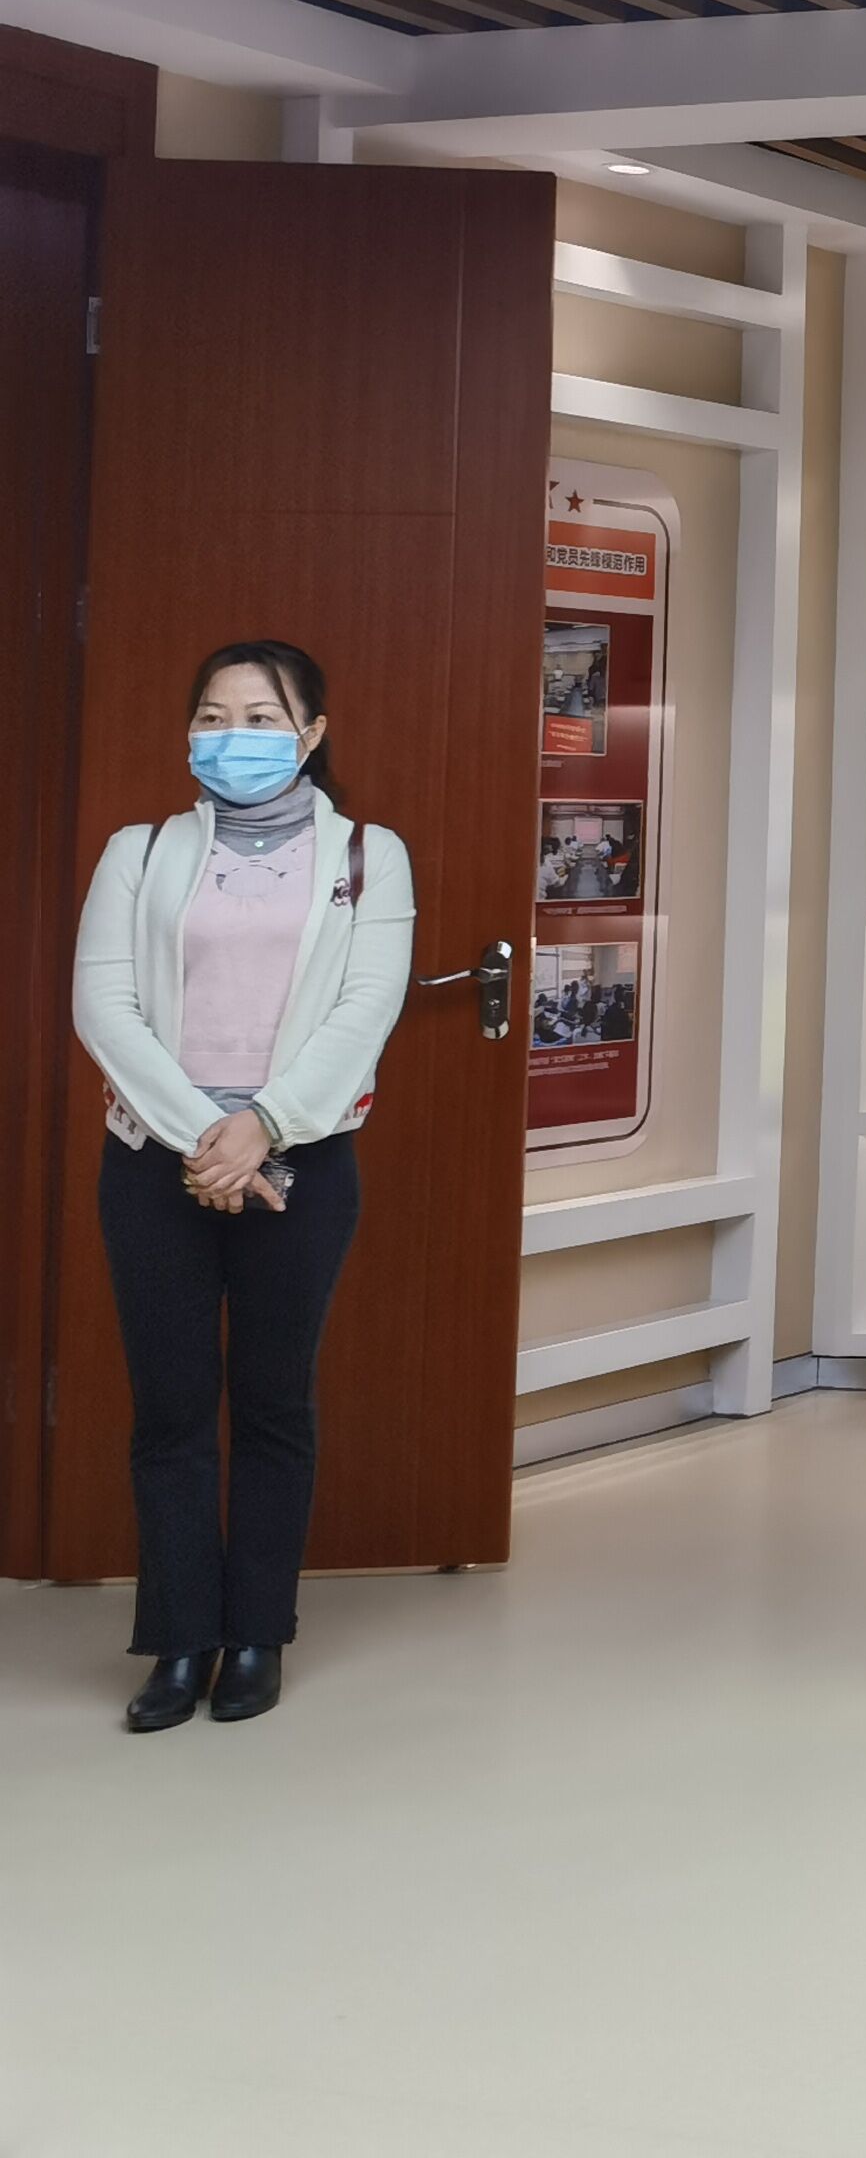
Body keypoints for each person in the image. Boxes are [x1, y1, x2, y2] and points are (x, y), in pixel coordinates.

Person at [71, 641, 414, 1732]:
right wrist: (207, 1143)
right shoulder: (140, 852)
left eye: (262, 718)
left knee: (274, 1403)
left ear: (310, 735)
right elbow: (103, 1006)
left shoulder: (369, 855)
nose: (234, 737)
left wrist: (261, 1129)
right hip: (154, 1160)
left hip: (302, 1162)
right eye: (214, 716)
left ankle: (258, 1632)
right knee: (170, 1410)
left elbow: (366, 1009)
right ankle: (180, 1642)